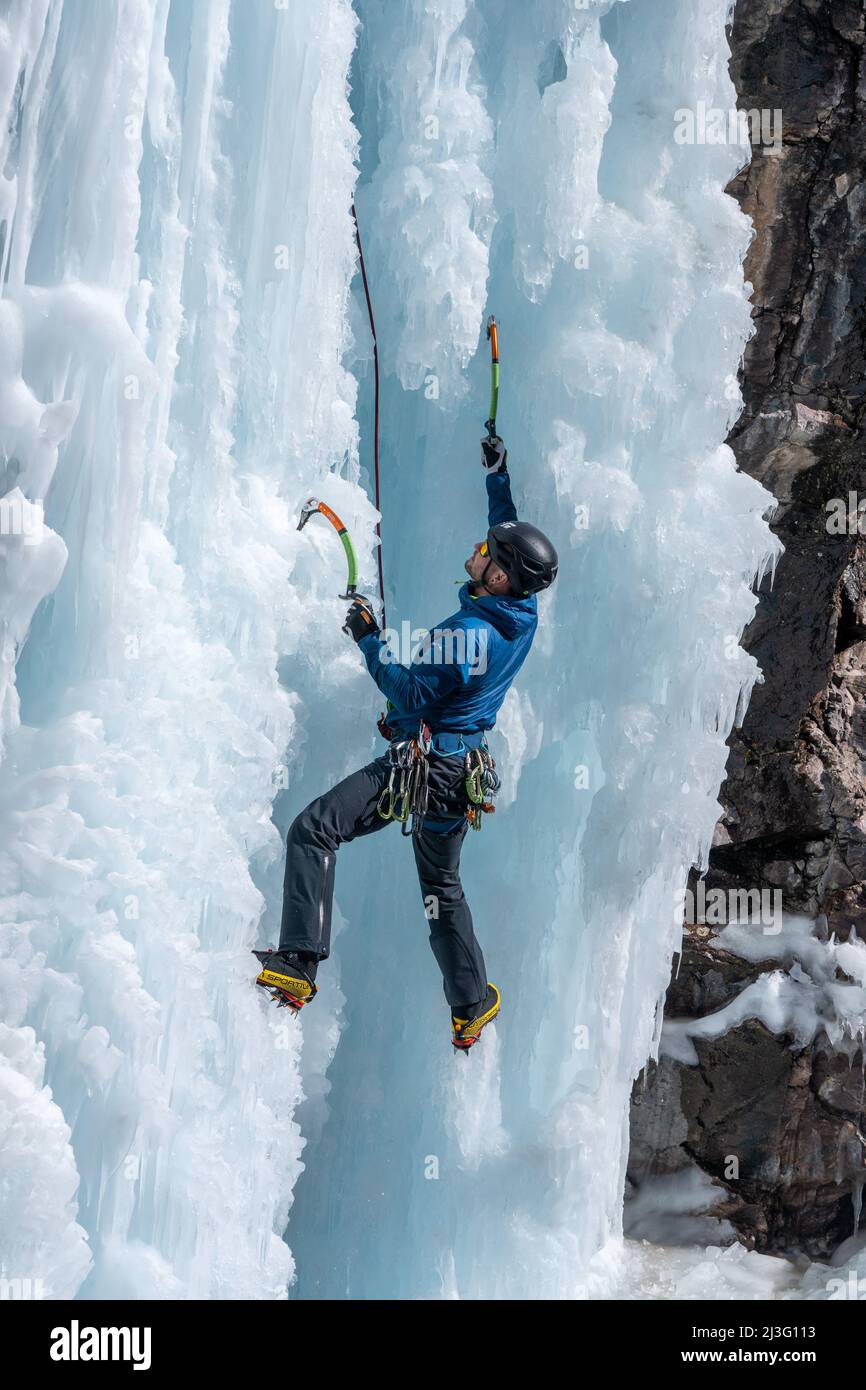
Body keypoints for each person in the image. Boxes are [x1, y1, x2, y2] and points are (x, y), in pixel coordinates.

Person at [254, 436, 558, 1049]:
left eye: (486, 555)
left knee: (314, 830)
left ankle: (297, 967)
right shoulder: (519, 613)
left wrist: (367, 637)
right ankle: (471, 1005)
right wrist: (499, 476)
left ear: (498, 577)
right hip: (460, 772)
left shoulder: (472, 634)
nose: (477, 551)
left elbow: (409, 690)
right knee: (441, 892)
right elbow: (506, 534)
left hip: (424, 770)